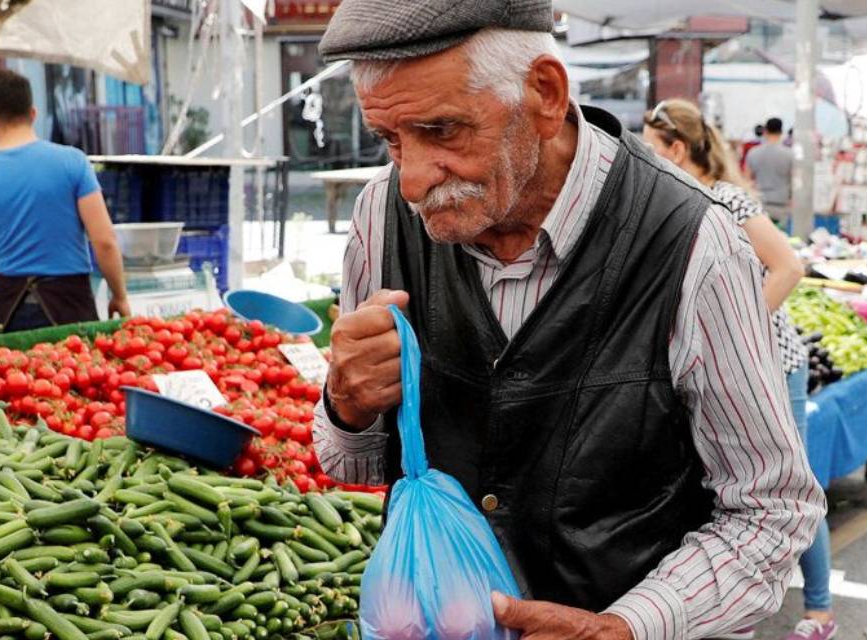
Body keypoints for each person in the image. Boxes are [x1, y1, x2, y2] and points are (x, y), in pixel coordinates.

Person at [311, 1, 825, 639]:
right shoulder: (379, 218)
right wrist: (346, 404)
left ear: (545, 95)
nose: (412, 180)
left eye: (443, 131)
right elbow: (350, 465)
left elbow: (773, 510)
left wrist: (628, 626)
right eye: (391, 139)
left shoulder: (693, 244)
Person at [643, 99, 834, 640]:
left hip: (775, 366)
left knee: (787, 488)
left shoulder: (725, 200)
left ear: (678, 150)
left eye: (653, 149)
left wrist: (731, 331)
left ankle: (819, 611)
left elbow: (789, 266)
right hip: (724, 370)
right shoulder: (676, 203)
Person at [0, 69, 131, 333]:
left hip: (12, 313)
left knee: (20, 373)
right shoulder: (73, 162)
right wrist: (119, 295)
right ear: (33, 113)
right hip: (72, 307)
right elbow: (105, 242)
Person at [746, 117, 793, 222]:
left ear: (765, 131)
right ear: (781, 132)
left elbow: (747, 180)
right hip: (781, 204)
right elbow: (794, 179)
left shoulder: (753, 153)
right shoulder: (789, 154)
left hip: (758, 204)